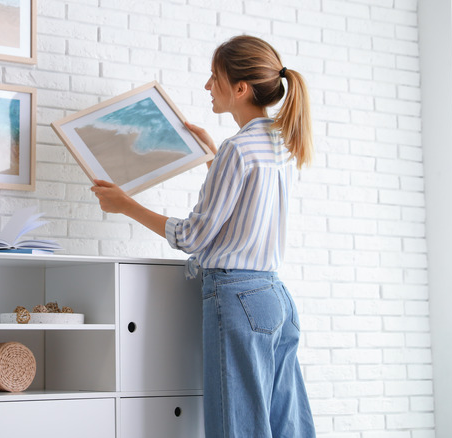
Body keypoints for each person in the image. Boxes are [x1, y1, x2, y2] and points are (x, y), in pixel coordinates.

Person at [91, 35, 316, 437]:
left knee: (237, 427)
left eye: (215, 78)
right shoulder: (281, 143)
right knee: (287, 426)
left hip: (237, 298)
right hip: (275, 298)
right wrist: (214, 158)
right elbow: (246, 206)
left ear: (240, 88)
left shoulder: (238, 149)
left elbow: (194, 236)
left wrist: (125, 204)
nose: (207, 86)